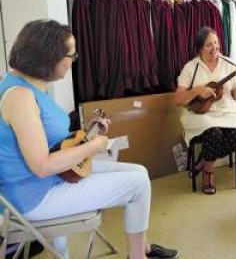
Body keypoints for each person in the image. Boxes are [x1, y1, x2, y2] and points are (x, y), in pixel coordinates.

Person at [0, 20, 178, 259]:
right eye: (72, 55)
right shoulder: (20, 96)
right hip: (34, 197)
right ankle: (138, 255)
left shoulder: (28, 85)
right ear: (49, 57)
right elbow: (42, 165)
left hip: (51, 179)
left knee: (139, 171)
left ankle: (142, 248)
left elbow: (49, 141)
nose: (73, 61)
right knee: (138, 184)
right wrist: (94, 146)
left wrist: (88, 133)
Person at [174, 27, 236, 195]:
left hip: (226, 112)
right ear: (200, 48)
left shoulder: (229, 64)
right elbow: (178, 99)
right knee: (214, 134)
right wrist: (198, 91)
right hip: (200, 114)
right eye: (208, 45)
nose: (214, 48)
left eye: (216, 43)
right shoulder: (191, 68)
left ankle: (201, 163)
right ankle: (209, 174)